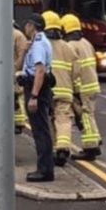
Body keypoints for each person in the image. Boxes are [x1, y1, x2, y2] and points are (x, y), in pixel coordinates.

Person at [62, 14, 103, 160]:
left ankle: (90, 148)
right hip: (92, 84)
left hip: (82, 88)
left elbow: (75, 70)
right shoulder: (86, 43)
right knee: (89, 114)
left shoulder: (71, 46)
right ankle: (95, 140)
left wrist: (76, 90)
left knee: (84, 117)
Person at [42, 11, 80, 167]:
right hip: (65, 90)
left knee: (47, 120)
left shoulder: (41, 45)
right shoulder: (66, 47)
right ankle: (63, 148)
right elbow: (76, 71)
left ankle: (52, 149)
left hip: (46, 90)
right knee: (63, 119)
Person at [20, 13, 54, 182]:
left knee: (40, 131)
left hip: (37, 89)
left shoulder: (39, 44)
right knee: (40, 130)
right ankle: (44, 168)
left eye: (27, 24)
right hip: (35, 86)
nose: (25, 27)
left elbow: (40, 71)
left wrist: (34, 96)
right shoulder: (36, 42)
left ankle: (44, 170)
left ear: (32, 25)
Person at [13, 22, 31, 133]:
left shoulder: (15, 35)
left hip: (14, 69)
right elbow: (22, 53)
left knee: (16, 96)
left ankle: (19, 122)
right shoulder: (18, 35)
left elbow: (22, 53)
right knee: (17, 96)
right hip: (15, 69)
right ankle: (19, 122)